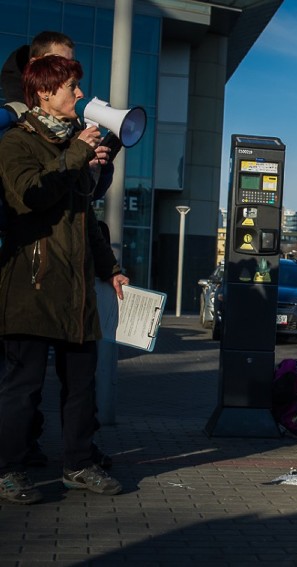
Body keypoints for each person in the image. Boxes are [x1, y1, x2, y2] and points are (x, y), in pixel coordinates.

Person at [0, 55, 129, 504]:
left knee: (81, 385)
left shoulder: (73, 145)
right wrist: (76, 156)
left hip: (75, 290)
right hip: (31, 285)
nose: (79, 94)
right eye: (71, 87)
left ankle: (78, 463)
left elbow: (85, 220)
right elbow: (30, 196)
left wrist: (108, 267)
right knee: (23, 387)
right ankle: (9, 470)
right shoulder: (17, 143)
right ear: (42, 94)